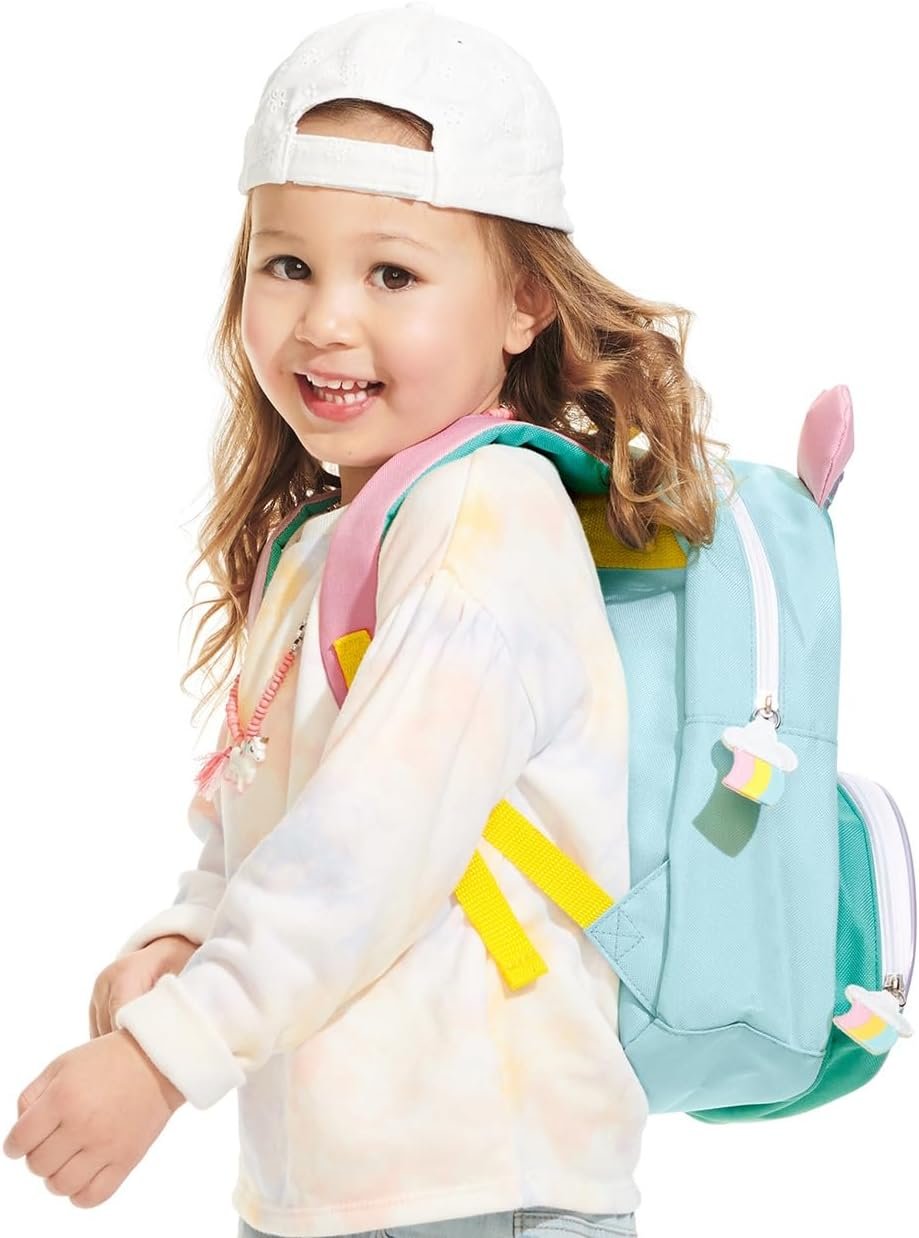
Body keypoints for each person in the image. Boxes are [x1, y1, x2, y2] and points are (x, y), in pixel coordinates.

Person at [2, 4, 726, 1236]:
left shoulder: (485, 515)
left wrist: (165, 1055)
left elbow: (368, 846)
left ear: (523, 303)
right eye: (288, 263)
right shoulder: (327, 540)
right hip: (341, 1190)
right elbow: (265, 828)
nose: (326, 318)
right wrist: (182, 941)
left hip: (480, 1183)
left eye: (392, 273)